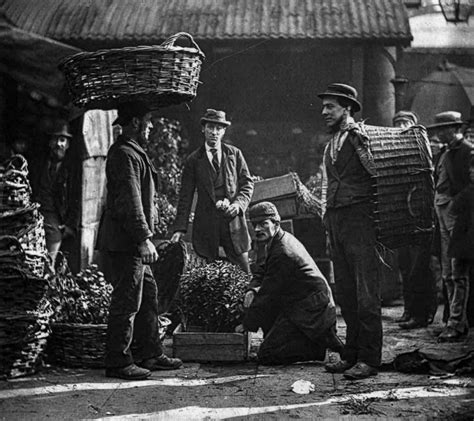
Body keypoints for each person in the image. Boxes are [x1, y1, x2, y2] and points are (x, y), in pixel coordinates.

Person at [96, 102, 182, 380]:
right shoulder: (124, 154)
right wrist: (144, 239)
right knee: (127, 301)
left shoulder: (133, 152)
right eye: (148, 120)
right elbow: (130, 202)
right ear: (135, 123)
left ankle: (150, 353)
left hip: (130, 241)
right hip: (125, 243)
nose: (152, 125)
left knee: (148, 297)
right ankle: (118, 362)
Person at [318, 83, 381, 379]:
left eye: (330, 106)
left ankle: (370, 359)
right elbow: (327, 184)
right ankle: (352, 355)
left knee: (366, 293)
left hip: (360, 220)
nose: (324, 112)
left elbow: (377, 173)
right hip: (337, 222)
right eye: (324, 107)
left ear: (347, 109)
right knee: (345, 292)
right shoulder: (331, 143)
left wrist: (364, 144)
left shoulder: (359, 137)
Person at [239, 201, 342, 365]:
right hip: (300, 302)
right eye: (254, 225)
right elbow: (261, 270)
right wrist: (252, 290)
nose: (258, 229)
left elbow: (268, 293)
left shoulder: (283, 251)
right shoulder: (275, 240)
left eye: (263, 224)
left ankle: (320, 348)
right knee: (269, 325)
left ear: (276, 223)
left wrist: (246, 324)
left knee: (267, 355)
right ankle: (311, 339)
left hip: (313, 309)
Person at [171, 109, 254, 273]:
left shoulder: (235, 155)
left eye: (219, 128)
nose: (214, 133)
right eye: (211, 127)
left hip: (233, 224)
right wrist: (180, 228)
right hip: (207, 226)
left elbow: (247, 185)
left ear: (224, 131)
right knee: (209, 276)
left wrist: (238, 205)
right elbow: (185, 196)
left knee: (244, 273)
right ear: (203, 129)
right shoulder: (194, 160)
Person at [428, 111, 473, 342]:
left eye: (442, 129)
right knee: (446, 271)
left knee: (458, 272)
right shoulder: (444, 152)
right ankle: (454, 320)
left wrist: (455, 204)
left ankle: (457, 322)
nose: (439, 134)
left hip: (458, 217)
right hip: (441, 213)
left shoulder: (467, 151)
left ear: (453, 129)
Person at [392, 111, 437, 329]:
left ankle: (423, 313)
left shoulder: (422, 146)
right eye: (398, 123)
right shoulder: (394, 150)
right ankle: (410, 309)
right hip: (402, 216)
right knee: (405, 265)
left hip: (420, 214)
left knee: (420, 267)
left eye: (405, 122)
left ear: (414, 124)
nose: (402, 126)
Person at [30, 120, 79, 268]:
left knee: (49, 261)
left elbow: (76, 199)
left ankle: (47, 282)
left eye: (62, 140)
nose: (59, 144)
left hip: (56, 218)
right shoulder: (38, 164)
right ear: (49, 142)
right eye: (55, 139)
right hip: (34, 213)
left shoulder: (72, 170)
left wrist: (70, 224)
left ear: (68, 144)